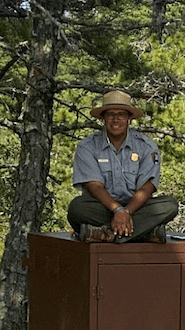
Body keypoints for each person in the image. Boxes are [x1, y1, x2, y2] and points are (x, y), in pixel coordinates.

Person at [67, 90, 178, 243]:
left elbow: (147, 188)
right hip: (102, 207)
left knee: (169, 205)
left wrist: (127, 211)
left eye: (121, 114)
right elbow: (94, 187)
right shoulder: (87, 146)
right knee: (77, 208)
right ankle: (144, 233)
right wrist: (118, 210)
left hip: (136, 207)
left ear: (129, 119)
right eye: (110, 114)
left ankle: (107, 234)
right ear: (103, 118)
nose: (116, 119)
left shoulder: (146, 146)